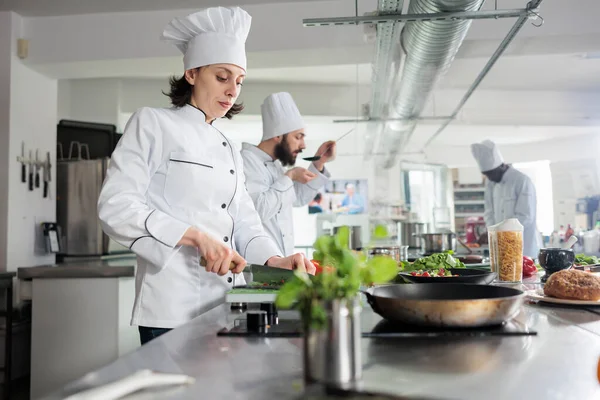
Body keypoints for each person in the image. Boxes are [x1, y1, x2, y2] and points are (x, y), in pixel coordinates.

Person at [97, 7, 315, 345]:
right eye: (222, 76)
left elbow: (245, 220)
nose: (232, 91)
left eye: (239, 81)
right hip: (171, 308)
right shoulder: (153, 123)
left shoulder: (227, 144)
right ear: (192, 73)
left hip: (225, 304)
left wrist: (275, 259)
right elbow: (116, 206)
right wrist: (196, 237)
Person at [240, 92, 335, 256]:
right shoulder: (247, 161)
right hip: (259, 264)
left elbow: (296, 198)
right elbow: (259, 210)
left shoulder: (275, 166)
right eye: (298, 137)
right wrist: (289, 177)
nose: (303, 145)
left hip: (282, 261)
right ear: (278, 135)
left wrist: (319, 163)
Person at [470, 140, 541, 258]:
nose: (489, 177)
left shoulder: (522, 181)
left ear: (502, 166)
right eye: (486, 174)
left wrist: (499, 233)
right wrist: (490, 232)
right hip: (501, 247)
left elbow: (525, 217)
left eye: (491, 173)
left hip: (524, 248)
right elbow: (489, 212)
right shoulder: (491, 182)